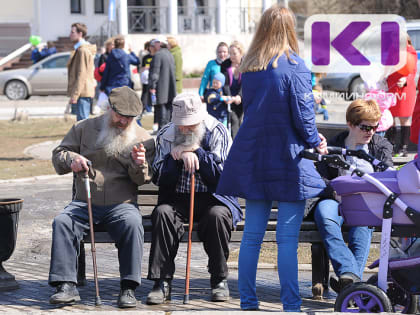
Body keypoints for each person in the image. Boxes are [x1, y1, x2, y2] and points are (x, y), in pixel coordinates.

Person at [216, 5, 327, 311]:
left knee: (251, 236)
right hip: (289, 157)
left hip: (254, 154)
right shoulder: (295, 66)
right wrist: (315, 141)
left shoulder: (250, 67)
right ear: (291, 29)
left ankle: (248, 302)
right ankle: (291, 305)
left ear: (263, 28)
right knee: (286, 239)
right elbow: (304, 118)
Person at [49, 86, 154, 308]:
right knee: (62, 222)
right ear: (109, 108)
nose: (124, 122)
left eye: (129, 118)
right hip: (85, 201)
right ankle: (66, 285)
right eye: (120, 116)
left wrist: (139, 164)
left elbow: (141, 180)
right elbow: (59, 154)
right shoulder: (83, 128)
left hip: (122, 204)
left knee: (133, 223)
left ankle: (128, 287)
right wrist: (72, 159)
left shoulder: (144, 139)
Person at [146, 93, 242, 305]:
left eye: (190, 125)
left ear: (200, 119)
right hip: (177, 198)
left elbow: (222, 178)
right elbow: (159, 177)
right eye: (181, 125)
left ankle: (219, 279)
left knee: (217, 216)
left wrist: (197, 152)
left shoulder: (218, 131)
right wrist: (176, 156)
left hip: (215, 197)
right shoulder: (166, 134)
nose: (184, 129)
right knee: (162, 214)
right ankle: (161, 281)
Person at [313, 99, 393, 294]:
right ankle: (353, 281)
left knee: (361, 229)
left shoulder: (380, 146)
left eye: (374, 127)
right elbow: (321, 178)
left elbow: (387, 176)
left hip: (366, 203)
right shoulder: (335, 144)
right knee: (324, 214)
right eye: (365, 127)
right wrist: (335, 192)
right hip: (334, 199)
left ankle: (349, 282)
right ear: (351, 123)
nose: (370, 132)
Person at [386, 36, 418, 157]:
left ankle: (403, 148)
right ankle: (391, 146)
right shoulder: (391, 50)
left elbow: (413, 70)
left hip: (405, 86)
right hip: (392, 85)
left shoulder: (410, 51)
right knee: (390, 118)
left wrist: (406, 79)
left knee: (404, 118)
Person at [67, 23, 97, 121]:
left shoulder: (82, 50)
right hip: (81, 92)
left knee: (83, 123)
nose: (70, 35)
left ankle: (88, 137)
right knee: (81, 124)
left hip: (82, 92)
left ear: (80, 34)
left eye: (72, 32)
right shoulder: (79, 49)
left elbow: (82, 74)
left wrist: (75, 95)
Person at [148, 35, 177, 130]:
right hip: (170, 87)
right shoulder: (169, 54)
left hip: (161, 88)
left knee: (161, 110)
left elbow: (155, 73)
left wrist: (152, 86)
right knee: (169, 110)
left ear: (159, 44)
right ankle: (168, 130)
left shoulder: (158, 55)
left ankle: (163, 131)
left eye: (155, 43)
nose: (154, 45)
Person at [221, 41, 245, 139]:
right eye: (230, 53)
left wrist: (239, 96)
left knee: (242, 121)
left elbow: (246, 83)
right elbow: (225, 83)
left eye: (234, 53)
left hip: (243, 98)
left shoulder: (246, 64)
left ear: (240, 53)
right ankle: (235, 144)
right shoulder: (225, 65)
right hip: (230, 98)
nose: (231, 56)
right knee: (234, 120)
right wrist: (230, 97)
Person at [139, 41, 153, 114]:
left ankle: (149, 107)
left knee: (150, 92)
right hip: (146, 76)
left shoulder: (156, 56)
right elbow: (142, 67)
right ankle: (143, 108)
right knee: (145, 92)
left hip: (152, 76)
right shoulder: (145, 56)